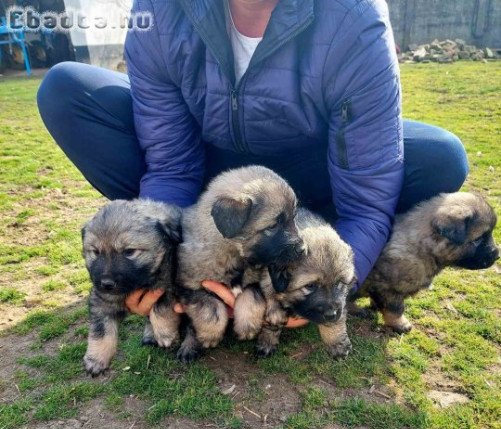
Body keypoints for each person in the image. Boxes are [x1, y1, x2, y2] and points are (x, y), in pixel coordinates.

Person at [37, 0, 468, 321]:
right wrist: (161, 263)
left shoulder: (353, 16)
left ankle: (298, 241)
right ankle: (210, 249)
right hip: (209, 170)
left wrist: (322, 288)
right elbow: (171, 165)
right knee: (68, 90)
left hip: (308, 168)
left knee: (440, 158)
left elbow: (367, 197)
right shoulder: (159, 9)